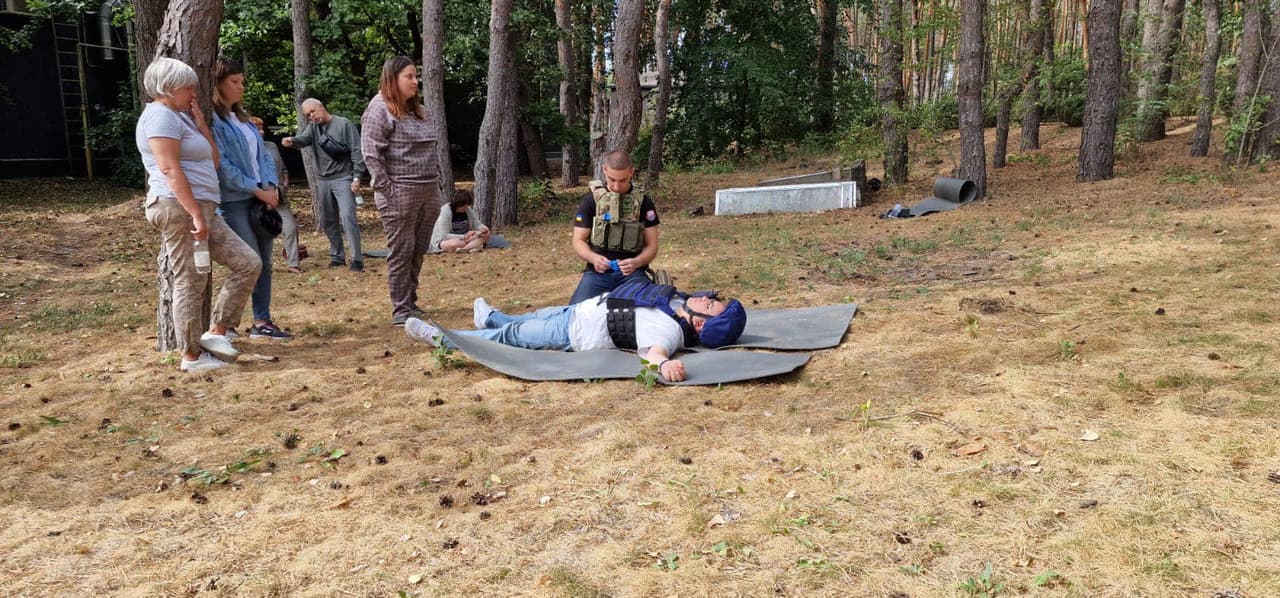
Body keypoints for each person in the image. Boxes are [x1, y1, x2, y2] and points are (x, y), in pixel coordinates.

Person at [136, 57, 262, 372]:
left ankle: (217, 332)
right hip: (178, 208)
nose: (194, 93)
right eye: (188, 87)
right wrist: (195, 214)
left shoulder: (181, 117)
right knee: (190, 282)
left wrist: (202, 124)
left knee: (248, 263)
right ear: (168, 88)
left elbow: (214, 161)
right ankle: (191, 356)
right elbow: (169, 169)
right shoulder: (159, 117)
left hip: (203, 208)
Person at [403, 279, 747, 383]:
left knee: (512, 337)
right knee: (527, 319)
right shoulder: (678, 304)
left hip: (571, 333)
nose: (706, 298)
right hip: (579, 311)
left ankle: (444, 339)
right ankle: (492, 317)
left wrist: (666, 366)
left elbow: (653, 355)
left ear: (699, 324)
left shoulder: (668, 332)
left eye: (710, 305)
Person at [211, 57, 292, 340]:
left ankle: (262, 321)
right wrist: (256, 190)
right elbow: (223, 166)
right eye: (234, 82)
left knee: (265, 263)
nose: (241, 87)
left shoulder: (243, 118)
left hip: (261, 198)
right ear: (218, 84)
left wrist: (270, 187)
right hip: (235, 200)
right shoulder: (214, 121)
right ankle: (225, 324)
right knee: (248, 261)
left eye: (242, 81)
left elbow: (264, 155)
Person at [360, 56, 442, 326]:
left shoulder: (420, 111)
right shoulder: (378, 109)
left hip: (428, 190)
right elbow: (371, 154)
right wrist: (389, 191)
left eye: (416, 76)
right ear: (392, 78)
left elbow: (432, 150)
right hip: (399, 192)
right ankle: (400, 310)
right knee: (402, 251)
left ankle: (411, 302)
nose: (415, 81)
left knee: (418, 250)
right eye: (409, 76)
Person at [281, 98, 367, 271]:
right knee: (328, 219)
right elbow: (304, 139)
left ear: (321, 107)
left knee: (347, 216)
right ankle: (337, 256)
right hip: (322, 180)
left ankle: (356, 258)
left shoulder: (344, 124)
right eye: (308, 115)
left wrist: (357, 176)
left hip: (343, 177)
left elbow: (357, 150)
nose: (311, 116)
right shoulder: (313, 128)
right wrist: (292, 141)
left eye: (313, 111)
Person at [568, 150, 661, 305]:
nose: (617, 186)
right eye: (612, 179)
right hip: (597, 274)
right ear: (604, 170)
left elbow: (652, 245)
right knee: (576, 311)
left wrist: (637, 262)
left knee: (650, 309)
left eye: (623, 180)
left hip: (633, 274)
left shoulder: (643, 202)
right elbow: (578, 240)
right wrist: (594, 258)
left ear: (631, 172)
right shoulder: (591, 200)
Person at [250, 116, 303, 274]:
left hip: (279, 195)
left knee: (291, 228)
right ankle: (261, 265)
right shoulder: (245, 150)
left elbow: (283, 167)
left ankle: (293, 263)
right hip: (258, 198)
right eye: (257, 128)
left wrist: (284, 183)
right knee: (260, 233)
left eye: (262, 128)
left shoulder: (271, 146)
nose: (262, 131)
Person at [429, 188, 490, 254]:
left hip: (467, 238)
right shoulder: (445, 212)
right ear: (458, 204)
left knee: (487, 234)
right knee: (453, 244)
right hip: (450, 240)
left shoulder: (468, 210)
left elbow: (477, 224)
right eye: (463, 206)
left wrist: (482, 228)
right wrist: (464, 236)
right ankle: (475, 246)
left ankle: (465, 249)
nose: (465, 208)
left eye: (467, 205)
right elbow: (444, 235)